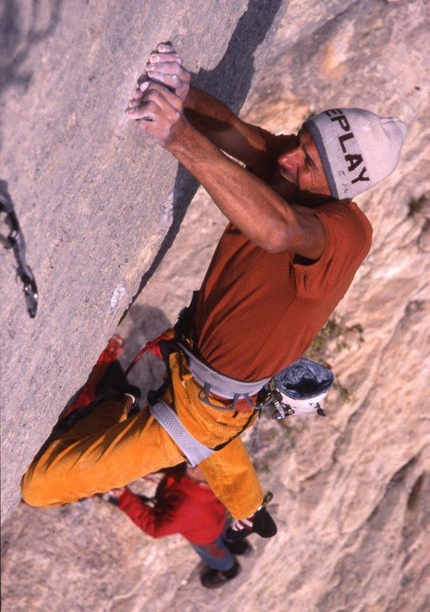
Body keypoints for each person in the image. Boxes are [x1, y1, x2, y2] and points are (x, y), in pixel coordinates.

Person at [21, 43, 407, 540]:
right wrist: (186, 92)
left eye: (307, 160)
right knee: (222, 445)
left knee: (41, 485)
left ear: (339, 188)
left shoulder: (343, 236)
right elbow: (237, 134)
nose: (289, 155)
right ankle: (250, 507)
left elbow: (278, 229)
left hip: (204, 410)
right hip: (206, 382)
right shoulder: (295, 171)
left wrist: (177, 135)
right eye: (300, 139)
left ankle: (116, 406)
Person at [103, 464, 252, 588]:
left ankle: (229, 569)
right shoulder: (205, 479)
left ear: (203, 483)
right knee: (226, 532)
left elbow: (155, 527)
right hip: (217, 517)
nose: (198, 465)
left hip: (206, 537)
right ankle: (240, 547)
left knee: (217, 555)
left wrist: (125, 498)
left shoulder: (185, 508)